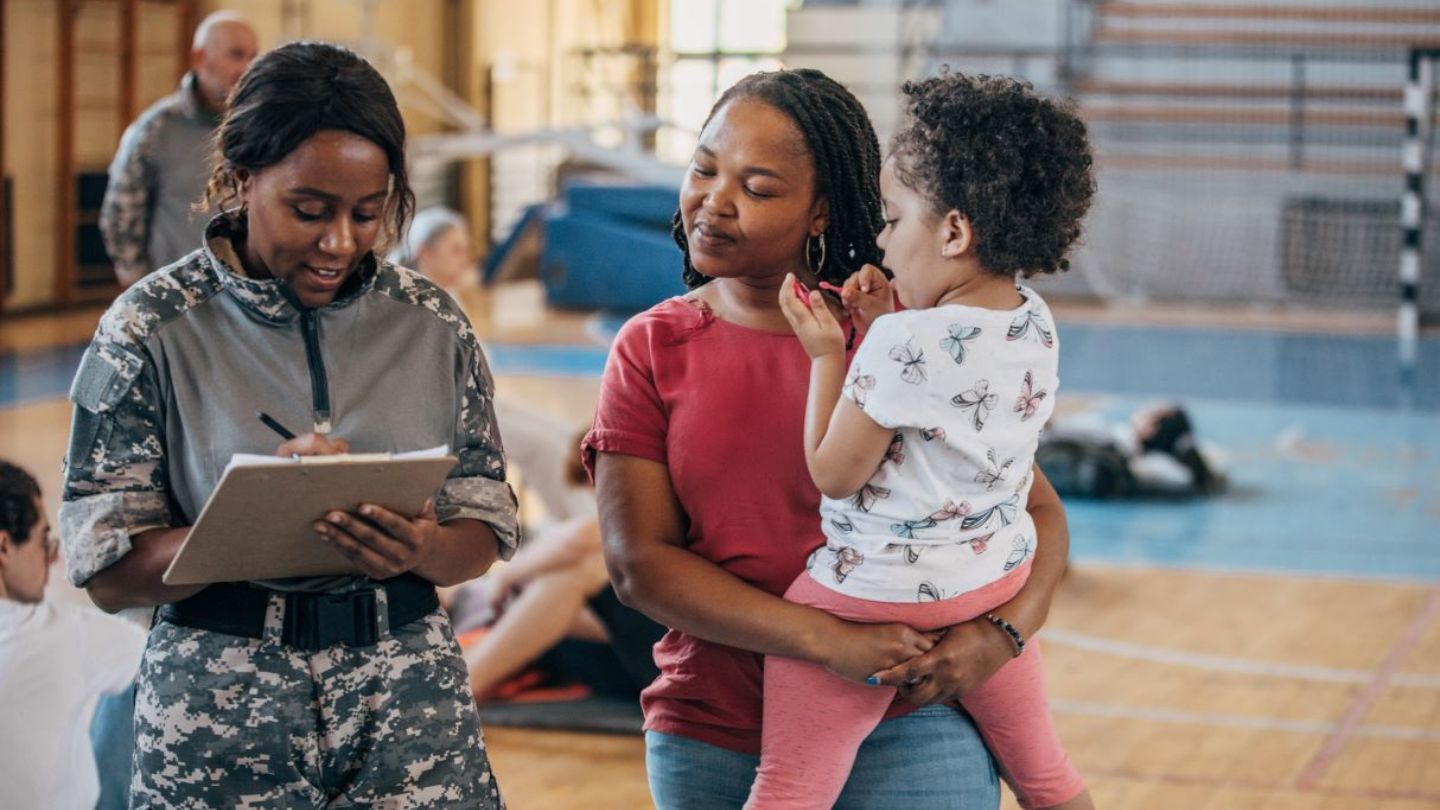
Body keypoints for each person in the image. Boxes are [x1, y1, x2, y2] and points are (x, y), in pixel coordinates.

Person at [586, 68, 1074, 809]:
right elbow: (639, 566)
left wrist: (1004, 634)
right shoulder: (652, 346)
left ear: (820, 213)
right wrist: (824, 639)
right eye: (704, 168)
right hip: (714, 727)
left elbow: (1037, 512)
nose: (714, 201)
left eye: (757, 187)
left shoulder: (902, 336)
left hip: (913, 717)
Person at [60, 42, 517, 807]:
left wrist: (427, 547)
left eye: (367, 214)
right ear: (242, 180)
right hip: (217, 706)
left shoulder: (431, 322)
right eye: (310, 210)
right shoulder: (150, 328)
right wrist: (257, 514)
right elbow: (107, 572)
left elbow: (484, 525)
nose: (339, 241)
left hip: (409, 702)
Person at [756, 72, 1097, 810]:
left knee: (788, 791)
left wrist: (832, 356)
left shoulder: (903, 343)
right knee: (1046, 779)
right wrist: (887, 328)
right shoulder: (1033, 319)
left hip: (871, 600)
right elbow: (950, 414)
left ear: (952, 231)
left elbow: (836, 474)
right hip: (990, 588)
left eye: (893, 218)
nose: (880, 238)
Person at [453, 423, 665, 701]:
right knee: (555, 600)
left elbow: (585, 537)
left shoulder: (655, 505)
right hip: (645, 649)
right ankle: (459, 676)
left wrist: (507, 576)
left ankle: (460, 691)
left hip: (665, 653)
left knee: (573, 577)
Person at [0, 461, 146, 810]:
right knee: (138, 684)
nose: (52, 559)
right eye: (43, 542)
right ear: (4, 548)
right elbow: (151, 652)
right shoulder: (62, 631)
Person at [100, 10, 259, 287]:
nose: (246, 68)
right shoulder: (156, 128)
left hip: (245, 295)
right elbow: (120, 215)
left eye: (252, 57)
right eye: (236, 55)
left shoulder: (262, 127)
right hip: (175, 296)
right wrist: (140, 286)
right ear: (199, 58)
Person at [1038, 402, 1226, 499]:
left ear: (1151, 428)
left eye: (1151, 409)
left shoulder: (1104, 433)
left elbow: (1046, 427)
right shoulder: (1158, 466)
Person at [390, 206, 474, 296]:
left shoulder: (450, 293)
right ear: (424, 253)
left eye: (466, 250)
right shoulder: (410, 303)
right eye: (456, 250)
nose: (466, 259)